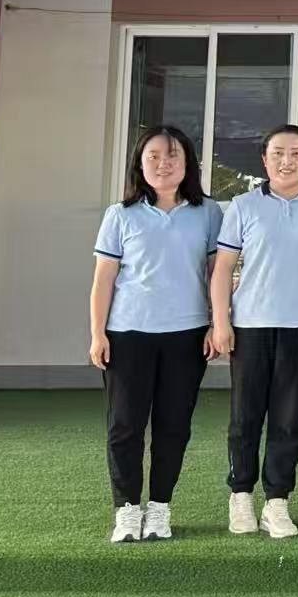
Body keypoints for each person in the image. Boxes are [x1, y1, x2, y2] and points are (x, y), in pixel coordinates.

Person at [89, 125, 224, 544]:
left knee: (173, 426)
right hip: (127, 334)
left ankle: (160, 506)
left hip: (187, 335)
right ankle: (127, 509)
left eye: (173, 156)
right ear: (139, 164)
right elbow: (103, 279)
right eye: (154, 157)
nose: (163, 164)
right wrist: (97, 334)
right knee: (125, 426)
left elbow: (216, 275)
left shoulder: (208, 213)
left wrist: (217, 323)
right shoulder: (120, 215)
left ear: (188, 164)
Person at [210, 124, 298, 540]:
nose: (287, 161)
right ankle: (241, 495)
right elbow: (222, 269)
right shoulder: (243, 206)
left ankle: (277, 501)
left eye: (296, 154)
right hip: (250, 327)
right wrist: (221, 321)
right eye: (278, 154)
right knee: (244, 418)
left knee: (288, 420)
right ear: (264, 161)